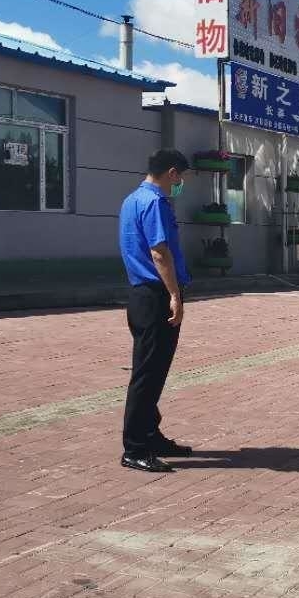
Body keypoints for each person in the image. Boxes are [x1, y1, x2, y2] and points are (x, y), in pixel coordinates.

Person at [117, 149, 195, 474]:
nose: (181, 185)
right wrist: (174, 295)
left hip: (141, 295)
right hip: (154, 296)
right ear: (172, 173)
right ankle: (134, 447)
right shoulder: (155, 202)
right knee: (147, 374)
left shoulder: (132, 199)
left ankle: (150, 434)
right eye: (182, 178)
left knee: (154, 370)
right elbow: (159, 253)